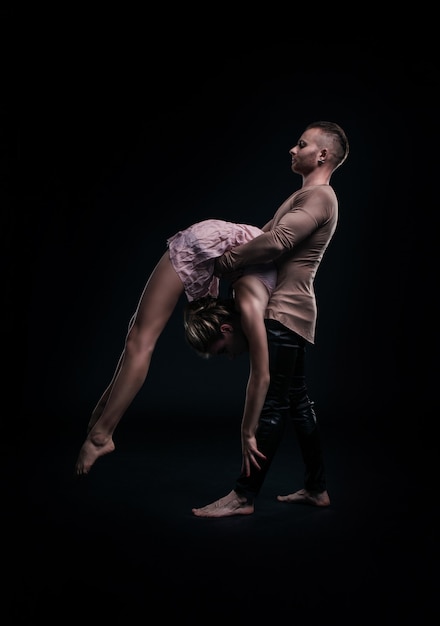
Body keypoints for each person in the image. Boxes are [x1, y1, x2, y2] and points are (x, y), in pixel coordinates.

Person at [188, 120, 349, 517]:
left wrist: (225, 262)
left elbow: (275, 242)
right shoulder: (304, 197)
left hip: (285, 311)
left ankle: (243, 496)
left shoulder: (321, 197)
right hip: (293, 309)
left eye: (301, 144)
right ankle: (317, 488)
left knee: (274, 405)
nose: (293, 150)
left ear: (323, 154)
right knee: (296, 400)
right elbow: (261, 236)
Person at [74, 219, 277, 476]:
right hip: (202, 244)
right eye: (224, 350)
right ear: (226, 328)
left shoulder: (248, 302)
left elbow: (271, 233)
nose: (231, 357)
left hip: (206, 244)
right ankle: (101, 431)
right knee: (138, 340)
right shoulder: (250, 309)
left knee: (137, 338)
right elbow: (261, 376)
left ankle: (102, 424)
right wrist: (247, 434)